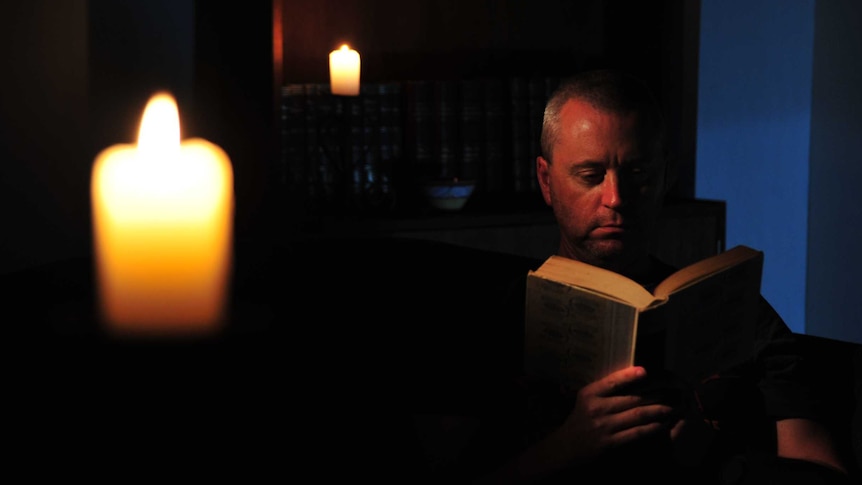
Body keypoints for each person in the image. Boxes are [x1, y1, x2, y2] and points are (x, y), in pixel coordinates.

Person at [422, 69, 852, 484]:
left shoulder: (742, 313)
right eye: (591, 176)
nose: (616, 199)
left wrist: (714, 457)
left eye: (638, 174)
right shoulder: (487, 320)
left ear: (665, 177)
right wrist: (564, 448)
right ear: (546, 180)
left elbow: (825, 475)